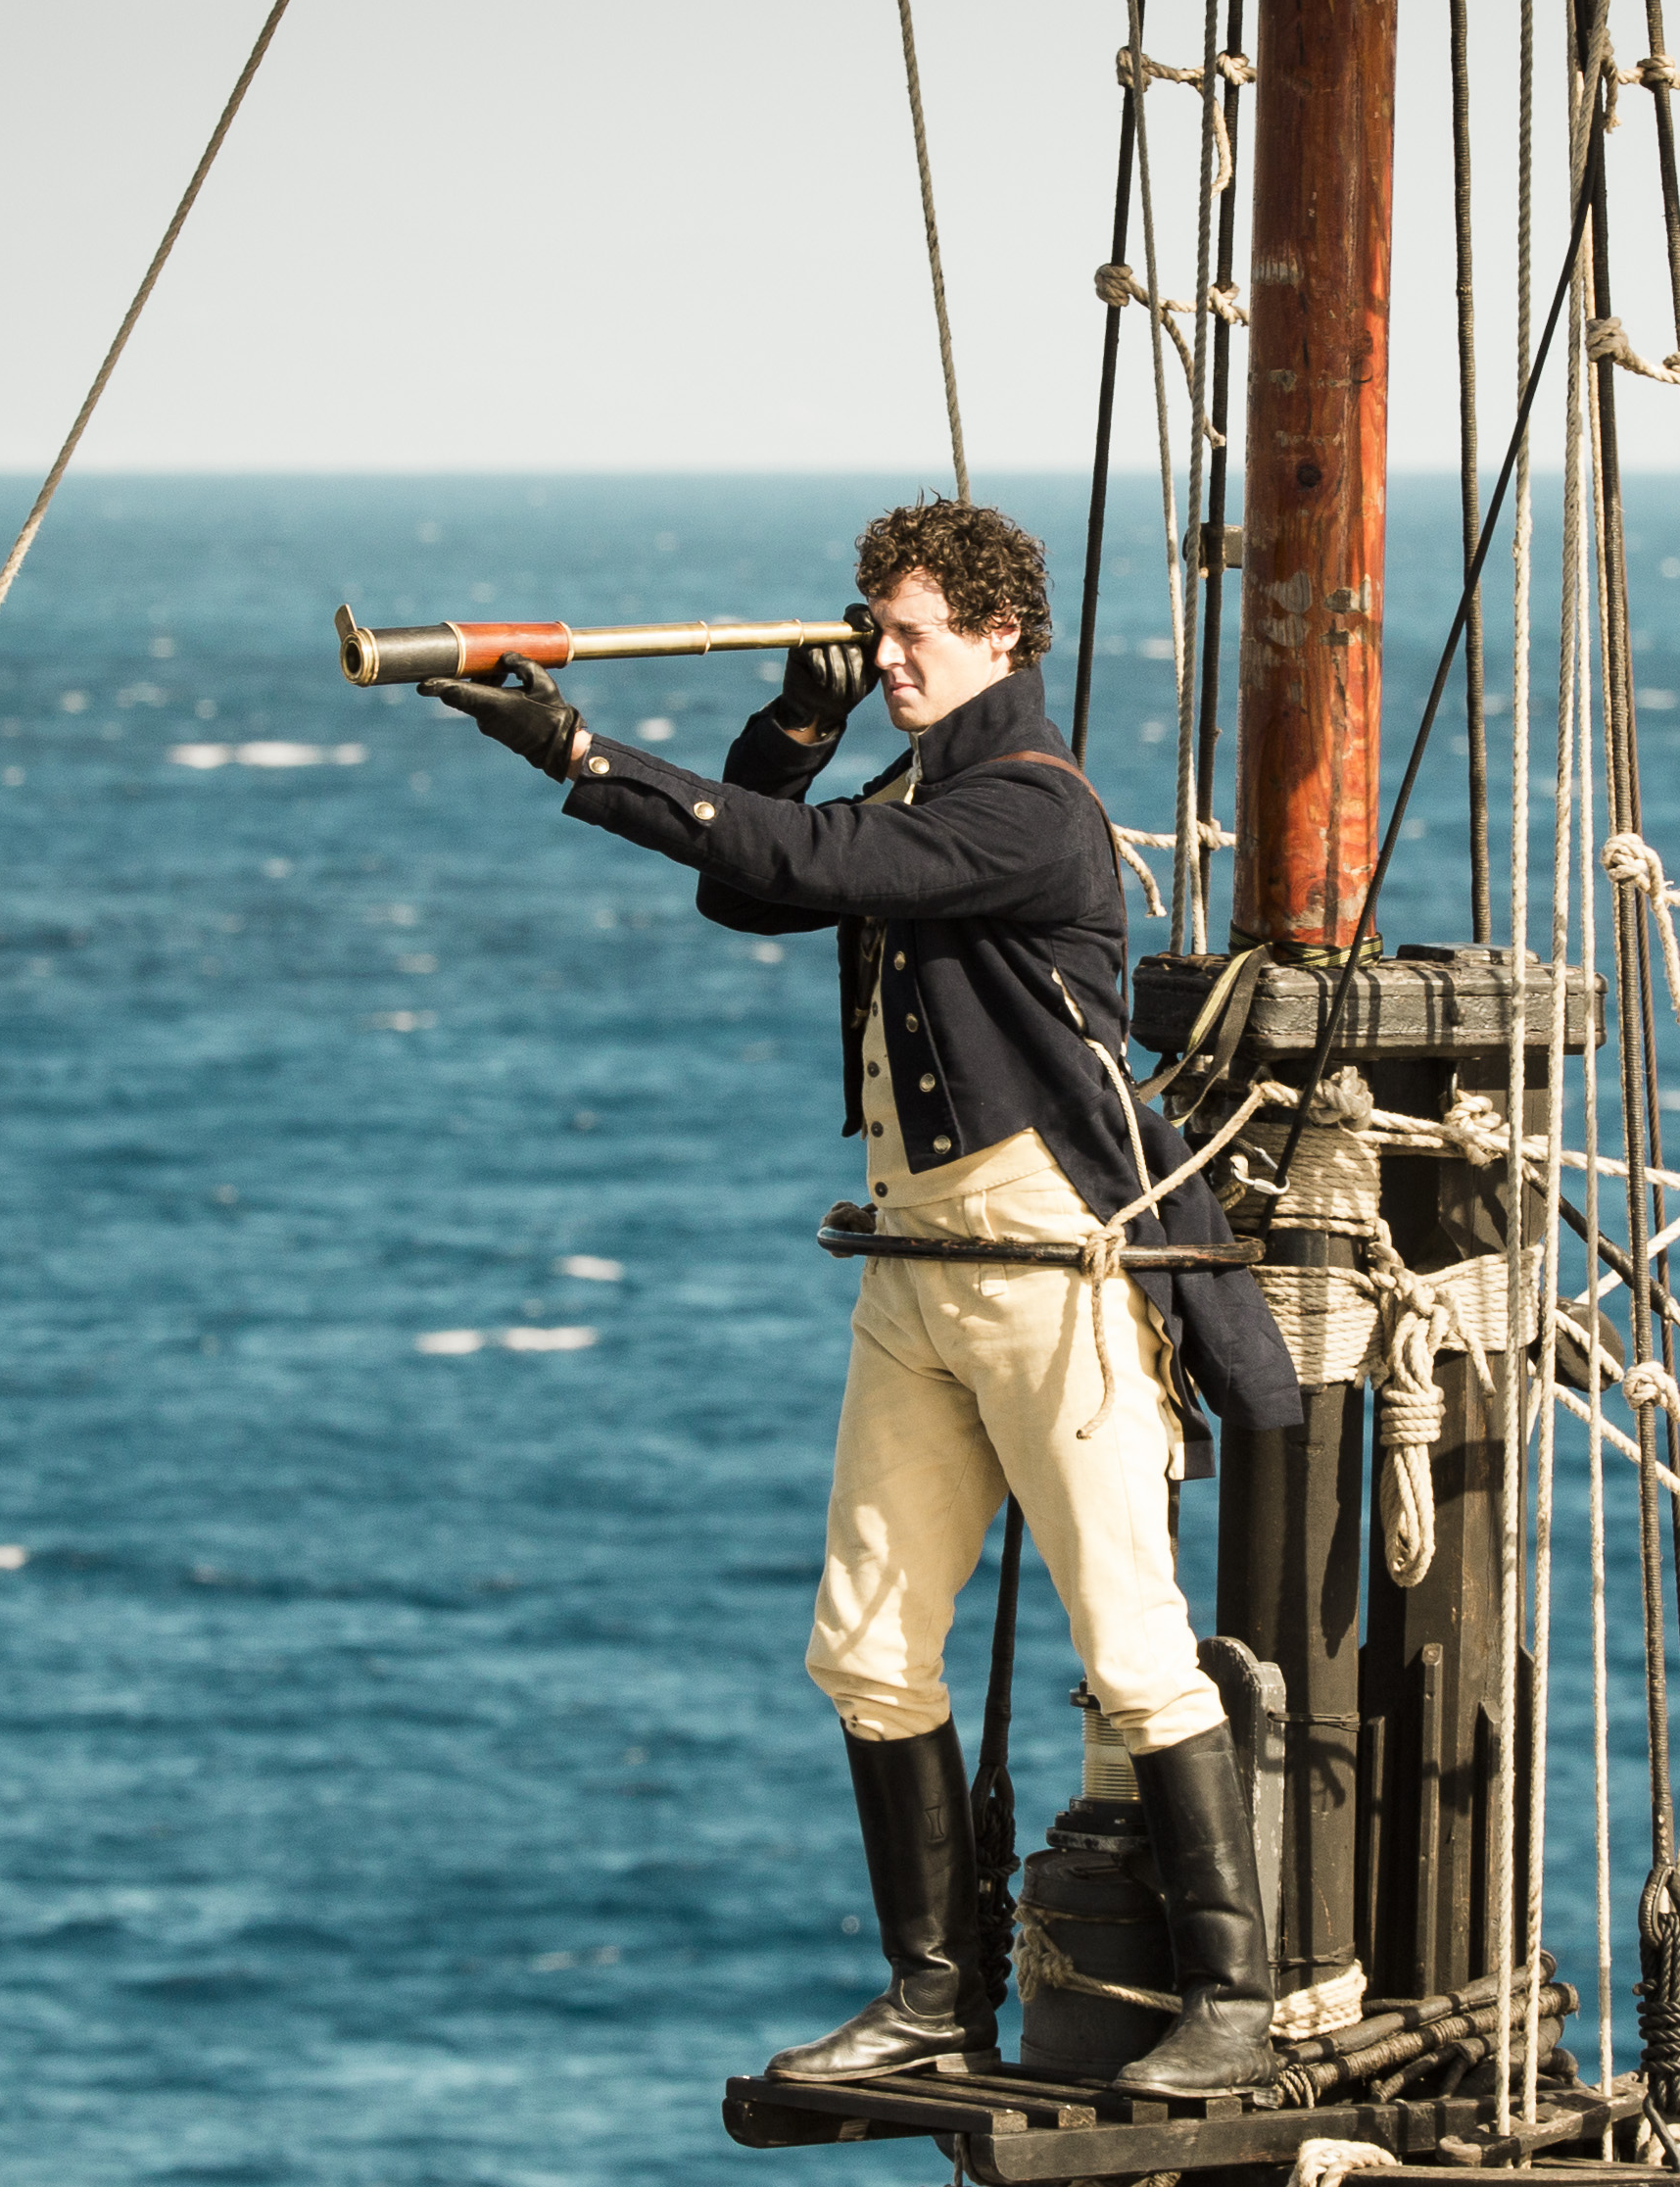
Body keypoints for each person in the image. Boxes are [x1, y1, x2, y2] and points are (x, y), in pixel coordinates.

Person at [422, 498, 1300, 2098]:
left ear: (1002, 637)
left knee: (1130, 1635)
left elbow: (806, 858)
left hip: (1049, 1255)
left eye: (911, 636)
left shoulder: (1030, 812)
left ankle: (1233, 1999)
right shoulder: (921, 784)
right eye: (872, 630)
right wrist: (794, 721)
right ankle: (932, 1995)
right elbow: (753, 891)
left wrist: (582, 758)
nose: (886, 656)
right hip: (922, 1258)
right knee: (866, 1643)